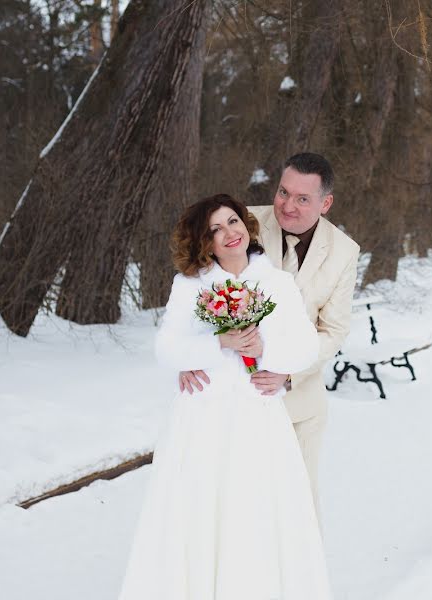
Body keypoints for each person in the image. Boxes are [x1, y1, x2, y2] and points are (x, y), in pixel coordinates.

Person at [117, 194, 332, 600]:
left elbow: (305, 345)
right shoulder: (191, 284)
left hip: (257, 413)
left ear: (246, 226)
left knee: (255, 510)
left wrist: (266, 353)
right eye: (215, 229)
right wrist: (219, 342)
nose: (228, 233)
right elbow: (167, 348)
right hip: (203, 417)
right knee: (198, 512)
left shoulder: (278, 284)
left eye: (233, 221)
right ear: (205, 241)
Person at [181, 153, 360, 516]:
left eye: (302, 199)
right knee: (234, 508)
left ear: (325, 203)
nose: (287, 205)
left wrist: (287, 370)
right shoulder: (240, 224)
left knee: (296, 510)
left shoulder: (343, 252)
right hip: (231, 403)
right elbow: (195, 295)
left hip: (298, 408)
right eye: (283, 192)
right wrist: (189, 355)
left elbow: (334, 330)